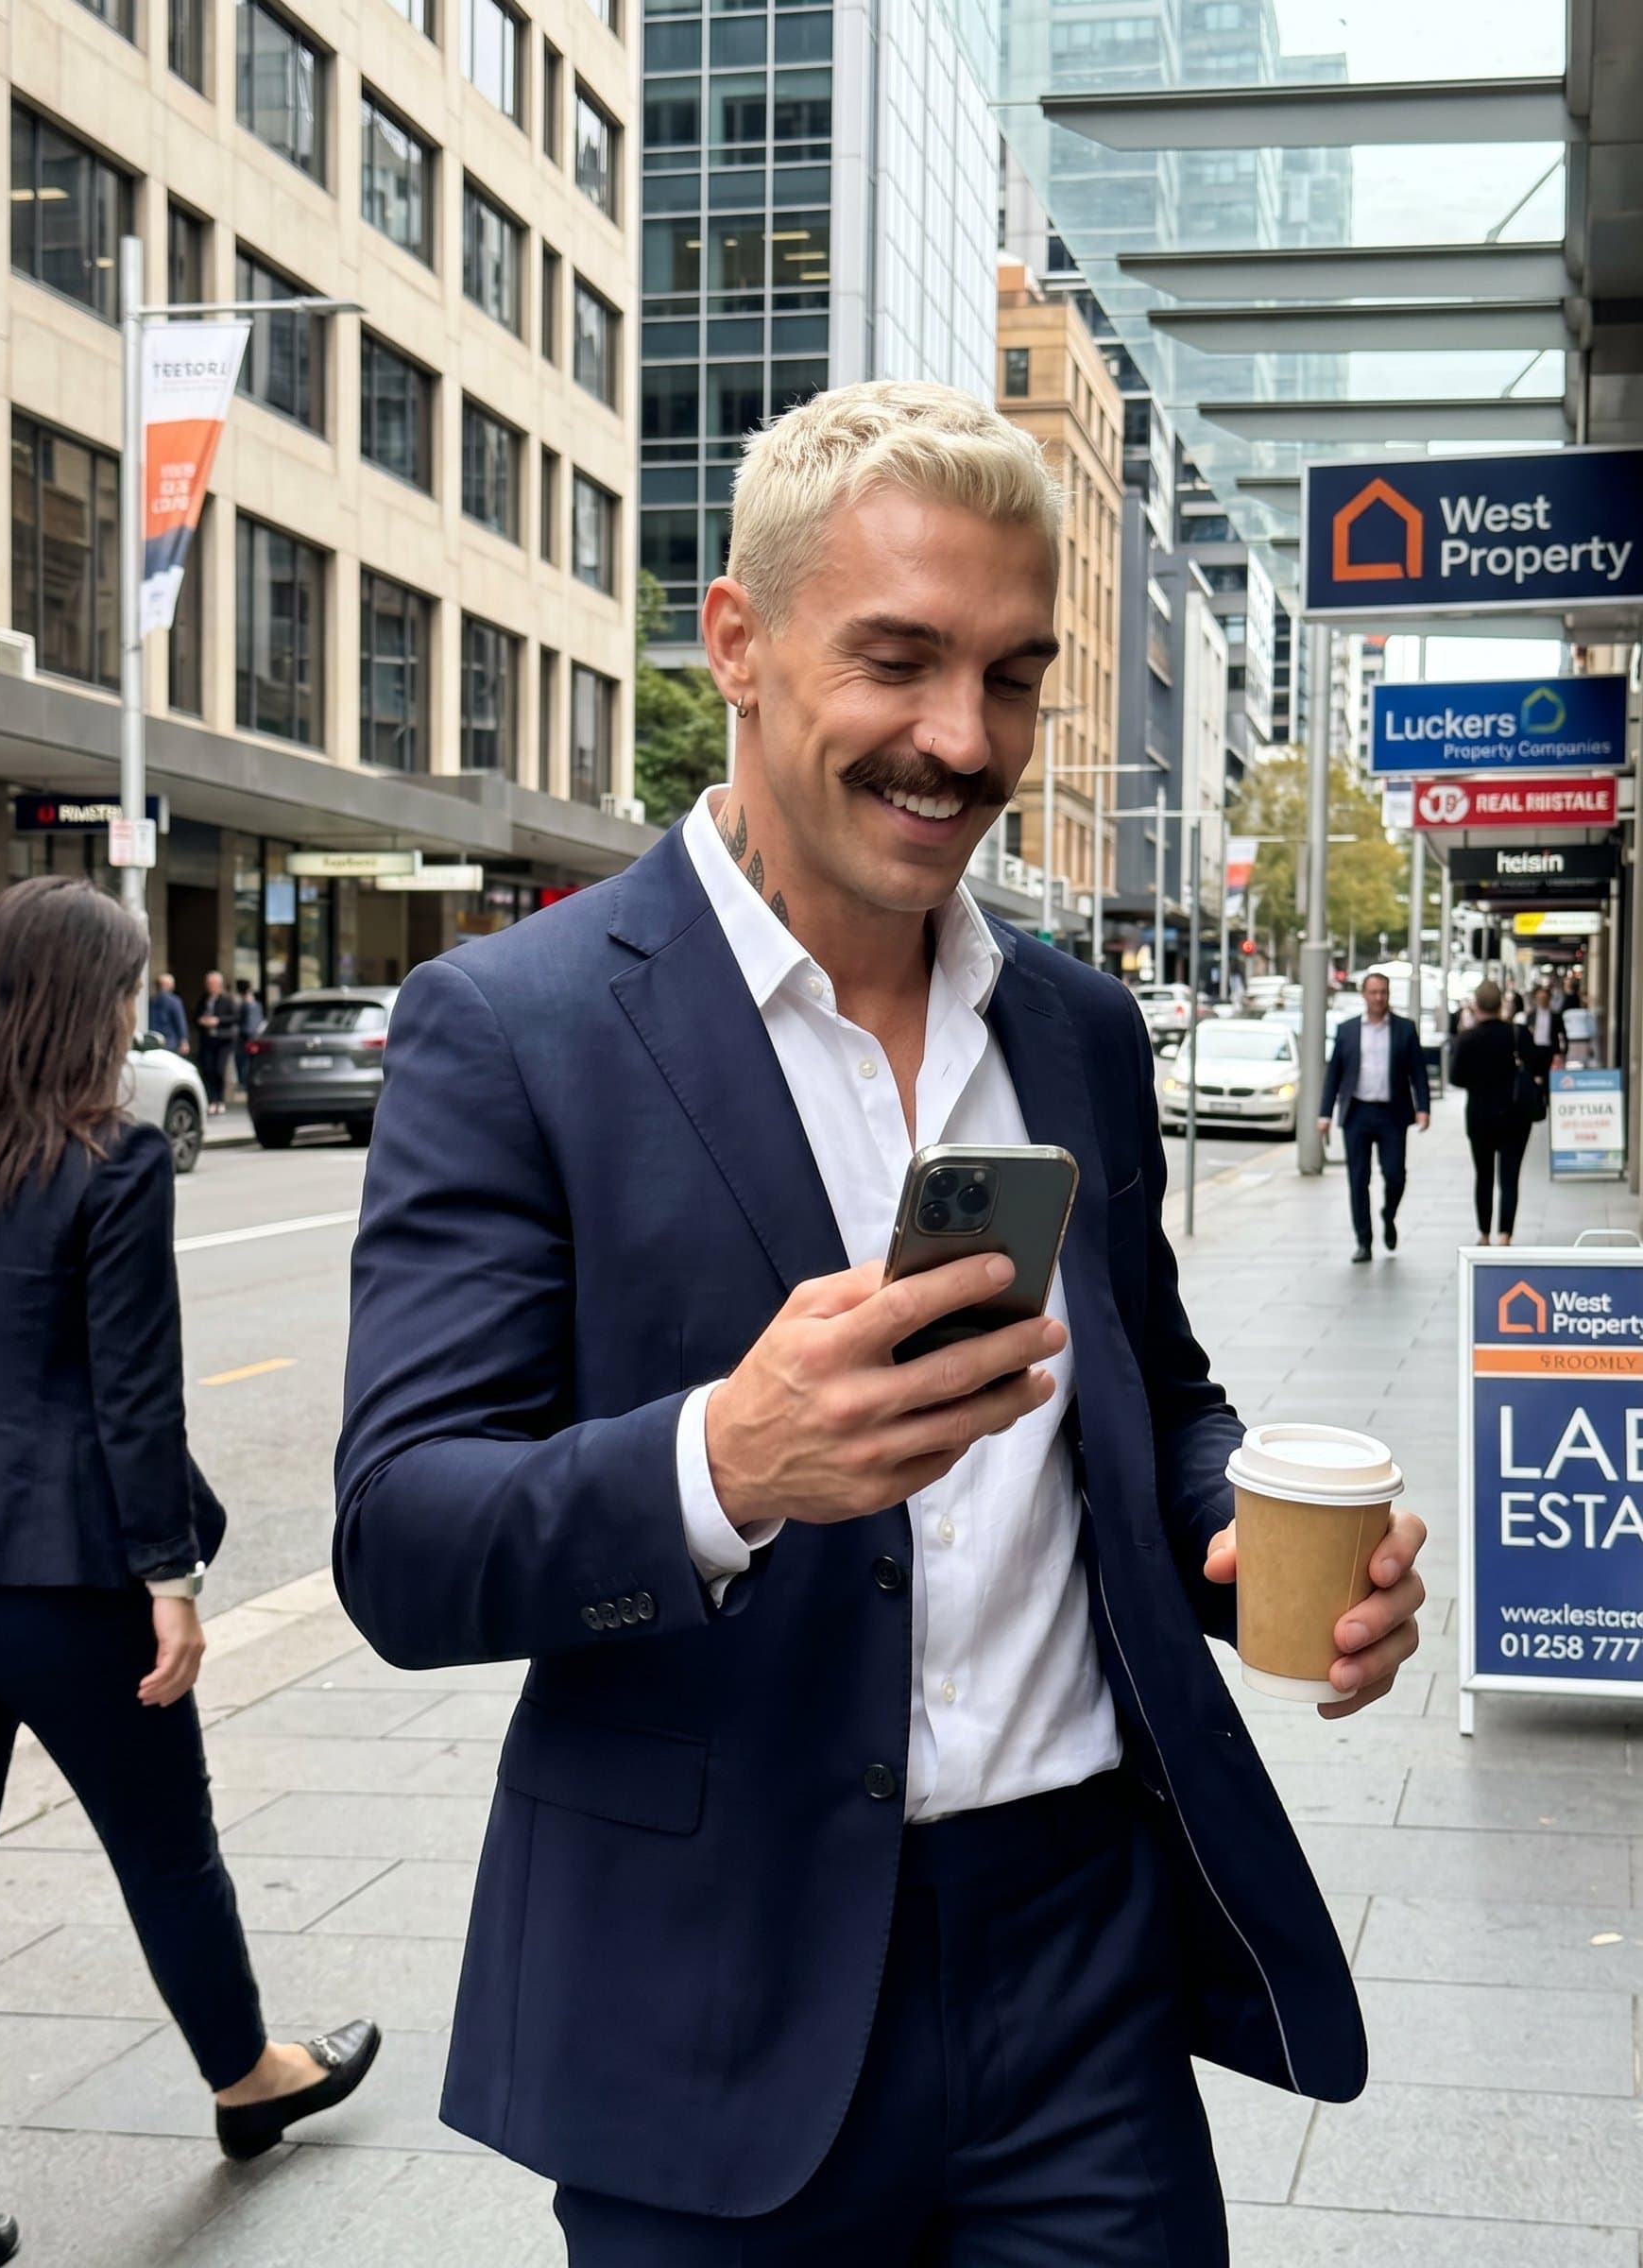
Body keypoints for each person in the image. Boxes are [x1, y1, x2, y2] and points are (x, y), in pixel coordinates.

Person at [335, 381, 1427, 2266]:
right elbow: (403, 1542)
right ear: (738, 645)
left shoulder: (1074, 1033)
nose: (959, 740)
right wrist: (719, 1466)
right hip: (712, 1998)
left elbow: (1154, 1396)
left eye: (1010, 677)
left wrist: (1235, 1520)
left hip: (1079, 1968)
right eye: (899, 661)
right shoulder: (513, 1027)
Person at [0, 878, 380, 2265]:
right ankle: (247, 2075)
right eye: (131, 985)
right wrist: (171, 1580)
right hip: (68, 1579)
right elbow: (136, 1400)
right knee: (166, 1849)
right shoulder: (113, 1160)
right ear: (97, 1003)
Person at [1318, 970, 1430, 1263]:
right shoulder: (1347, 1030)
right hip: (1357, 1112)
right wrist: (1324, 1114)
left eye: (1383, 992)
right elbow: (1334, 1075)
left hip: (1393, 1113)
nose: (1378, 997)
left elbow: (1418, 1071)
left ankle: (1388, 1214)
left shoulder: (1405, 1029)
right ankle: (1364, 1241)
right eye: (1373, 992)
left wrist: (1423, 1108)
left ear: (1389, 994)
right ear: (1364, 995)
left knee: (1395, 1175)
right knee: (1358, 1179)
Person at [1449, 982, 1536, 1246]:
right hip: (1515, 1117)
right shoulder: (1516, 1034)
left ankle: (1484, 1233)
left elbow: (1455, 1077)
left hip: (1480, 1116)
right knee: (1510, 1177)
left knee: (1484, 1176)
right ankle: (1505, 1235)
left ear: (1476, 1005)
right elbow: (1534, 1065)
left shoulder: (1467, 1038)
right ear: (1501, 1004)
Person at [194, 971, 237, 1114]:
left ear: (219, 985)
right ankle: (211, 1099)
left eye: (212, 984)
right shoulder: (204, 999)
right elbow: (195, 1016)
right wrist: (202, 1021)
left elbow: (235, 1017)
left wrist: (217, 1021)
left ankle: (220, 1100)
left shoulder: (227, 999)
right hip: (208, 1040)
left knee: (219, 1069)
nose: (210, 986)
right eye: (208, 984)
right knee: (208, 1070)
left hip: (223, 1040)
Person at [1521, 982, 1567, 1088]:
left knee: (1549, 1080)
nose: (1542, 1000)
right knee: (1534, 1080)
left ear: (1549, 999)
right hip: (1535, 1050)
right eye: (1539, 998)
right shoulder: (1531, 1016)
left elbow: (1563, 1035)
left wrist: (1562, 1053)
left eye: (1544, 998)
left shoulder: (1555, 1016)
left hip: (1549, 1051)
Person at [232, 978, 265, 1094]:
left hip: (247, 1039)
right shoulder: (253, 1003)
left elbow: (250, 1025)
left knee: (245, 1064)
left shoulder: (247, 1004)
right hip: (251, 1037)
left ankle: (247, 1085)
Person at [147, 971, 189, 1054]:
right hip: (170, 1042)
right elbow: (180, 1021)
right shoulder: (174, 1001)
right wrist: (184, 1041)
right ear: (170, 985)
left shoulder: (151, 1000)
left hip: (152, 1041)